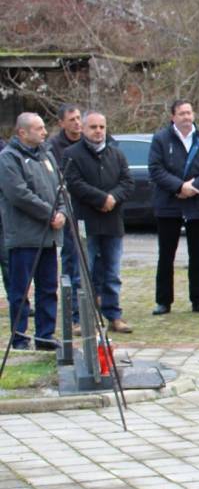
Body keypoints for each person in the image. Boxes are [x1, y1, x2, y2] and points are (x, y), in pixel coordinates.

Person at [62, 110, 135, 334]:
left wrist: (113, 198)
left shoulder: (116, 154)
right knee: (83, 273)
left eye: (102, 127)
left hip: (112, 221)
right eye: (93, 127)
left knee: (112, 273)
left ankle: (114, 315)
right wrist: (101, 199)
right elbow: (75, 183)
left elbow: (127, 182)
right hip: (86, 222)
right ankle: (80, 318)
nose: (98, 131)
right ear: (83, 129)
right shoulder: (71, 154)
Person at [148, 99, 199, 315]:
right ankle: (163, 301)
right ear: (173, 117)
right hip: (169, 205)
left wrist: (194, 187)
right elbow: (156, 169)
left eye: (189, 113)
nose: (186, 117)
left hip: (197, 205)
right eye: (182, 113)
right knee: (166, 255)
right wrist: (179, 187)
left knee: (198, 255)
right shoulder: (161, 139)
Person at [0, 113, 65, 351]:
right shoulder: (8, 158)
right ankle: (19, 337)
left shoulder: (46, 155)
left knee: (48, 288)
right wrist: (50, 213)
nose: (45, 132)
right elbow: (18, 194)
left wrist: (62, 212)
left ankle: (45, 335)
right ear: (22, 132)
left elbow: (61, 188)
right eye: (39, 128)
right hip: (24, 237)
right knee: (20, 290)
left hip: (48, 237)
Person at [48, 103, 83, 328]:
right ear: (62, 123)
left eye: (79, 118)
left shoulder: (89, 141)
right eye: (72, 119)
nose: (77, 123)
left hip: (90, 209)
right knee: (72, 264)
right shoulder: (52, 148)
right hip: (68, 210)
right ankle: (74, 314)